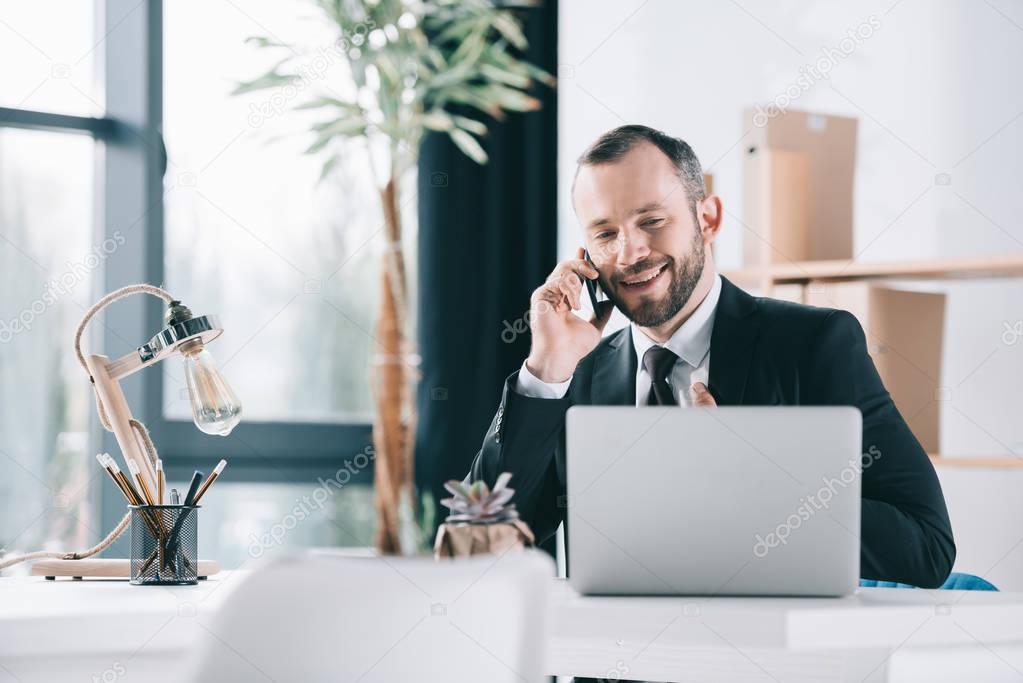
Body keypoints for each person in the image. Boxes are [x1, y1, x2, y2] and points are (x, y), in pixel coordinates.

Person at [468, 124, 955, 588]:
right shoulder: (573, 373)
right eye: (605, 233)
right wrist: (546, 370)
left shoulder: (814, 345)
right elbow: (479, 539)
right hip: (611, 664)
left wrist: (747, 472)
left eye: (652, 221)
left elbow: (926, 548)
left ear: (708, 219)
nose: (630, 251)